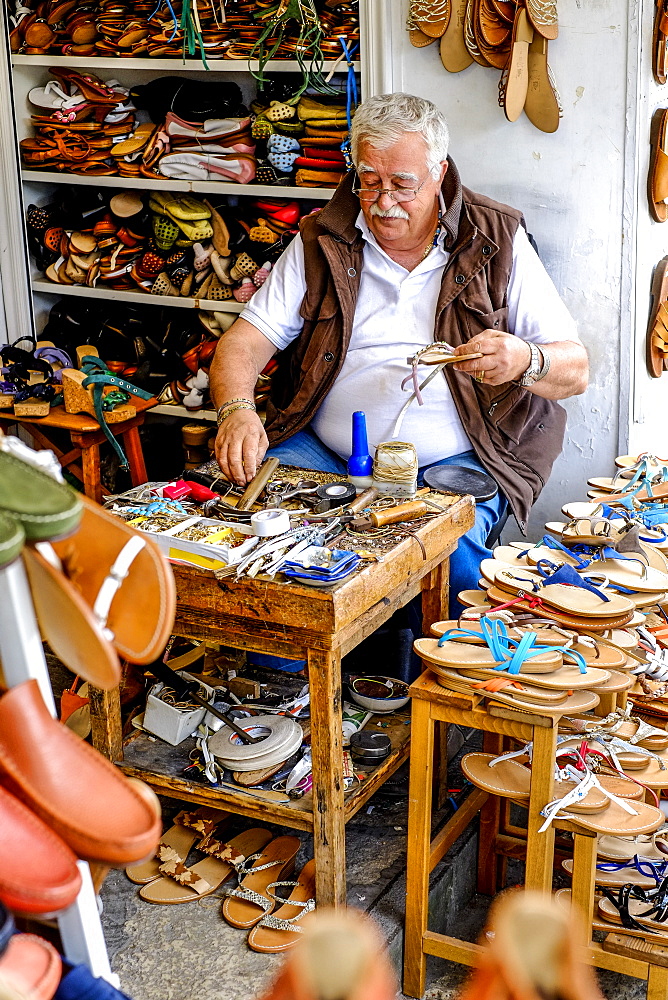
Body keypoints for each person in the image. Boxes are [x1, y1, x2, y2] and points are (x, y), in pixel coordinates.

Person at [209, 92, 588, 612]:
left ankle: (437, 686)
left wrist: (525, 360)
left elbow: (576, 369)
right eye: (369, 180)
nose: (383, 201)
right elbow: (245, 341)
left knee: (455, 562)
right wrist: (236, 409)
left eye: (402, 185)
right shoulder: (325, 237)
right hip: (325, 451)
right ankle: (285, 685)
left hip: (457, 460)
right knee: (264, 544)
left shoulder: (495, 236)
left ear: (440, 174)